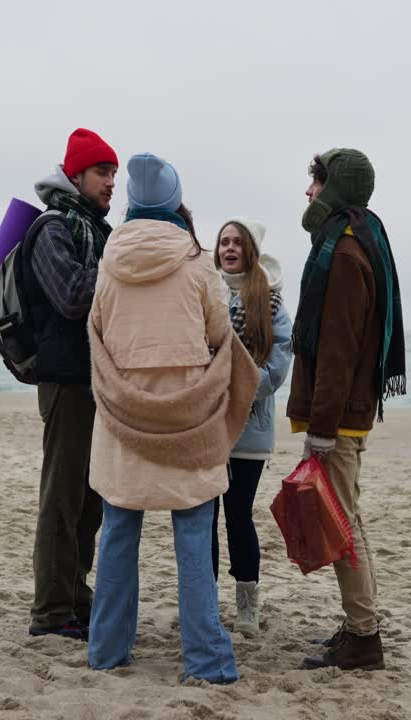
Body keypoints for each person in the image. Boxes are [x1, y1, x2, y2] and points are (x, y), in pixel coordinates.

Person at [86, 153, 258, 683]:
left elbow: (98, 328)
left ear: (134, 205)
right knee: (192, 529)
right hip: (187, 417)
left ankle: (107, 652)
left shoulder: (109, 262)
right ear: (174, 203)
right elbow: (215, 334)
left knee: (118, 529)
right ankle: (205, 661)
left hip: (122, 415)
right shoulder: (196, 261)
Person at [287, 148, 406, 671]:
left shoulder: (343, 252)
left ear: (333, 188)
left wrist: (321, 428)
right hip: (353, 409)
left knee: (342, 524)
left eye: (314, 183)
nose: (308, 193)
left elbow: (337, 349)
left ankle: (364, 635)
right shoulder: (363, 238)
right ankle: (362, 626)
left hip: (341, 413)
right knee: (348, 517)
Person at [24, 128, 118, 640]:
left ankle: (76, 599)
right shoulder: (51, 228)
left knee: (91, 501)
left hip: (96, 380)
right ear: (76, 174)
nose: (111, 184)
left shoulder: (97, 230)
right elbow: (72, 296)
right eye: (103, 173)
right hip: (65, 381)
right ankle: (51, 610)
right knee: (62, 499)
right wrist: (123, 271)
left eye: (114, 175)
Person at [210, 218, 293, 637]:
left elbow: (277, 367)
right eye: (223, 242)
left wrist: (234, 388)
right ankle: (204, 600)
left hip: (250, 425)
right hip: (205, 423)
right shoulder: (205, 291)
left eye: (237, 243)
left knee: (237, 513)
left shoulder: (271, 302)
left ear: (251, 251)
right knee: (202, 514)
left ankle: (247, 603)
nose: (228, 248)